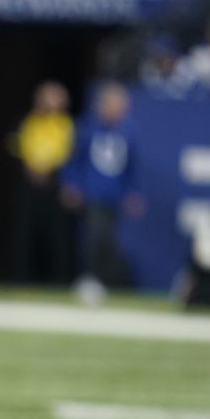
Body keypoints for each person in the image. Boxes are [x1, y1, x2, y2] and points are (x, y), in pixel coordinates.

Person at [60, 82, 144, 305]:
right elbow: (74, 160)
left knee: (109, 240)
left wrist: (132, 193)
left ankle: (104, 281)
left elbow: (131, 167)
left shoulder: (129, 132)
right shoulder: (88, 128)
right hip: (92, 193)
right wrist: (72, 184)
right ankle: (89, 279)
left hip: (114, 196)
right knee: (93, 237)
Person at [9, 81, 74, 284]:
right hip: (29, 186)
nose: (53, 103)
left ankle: (58, 282)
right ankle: (19, 280)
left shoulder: (65, 124)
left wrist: (50, 170)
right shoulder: (28, 121)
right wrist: (29, 166)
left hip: (54, 186)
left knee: (56, 238)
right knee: (24, 234)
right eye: (49, 97)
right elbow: (16, 147)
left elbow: (67, 152)